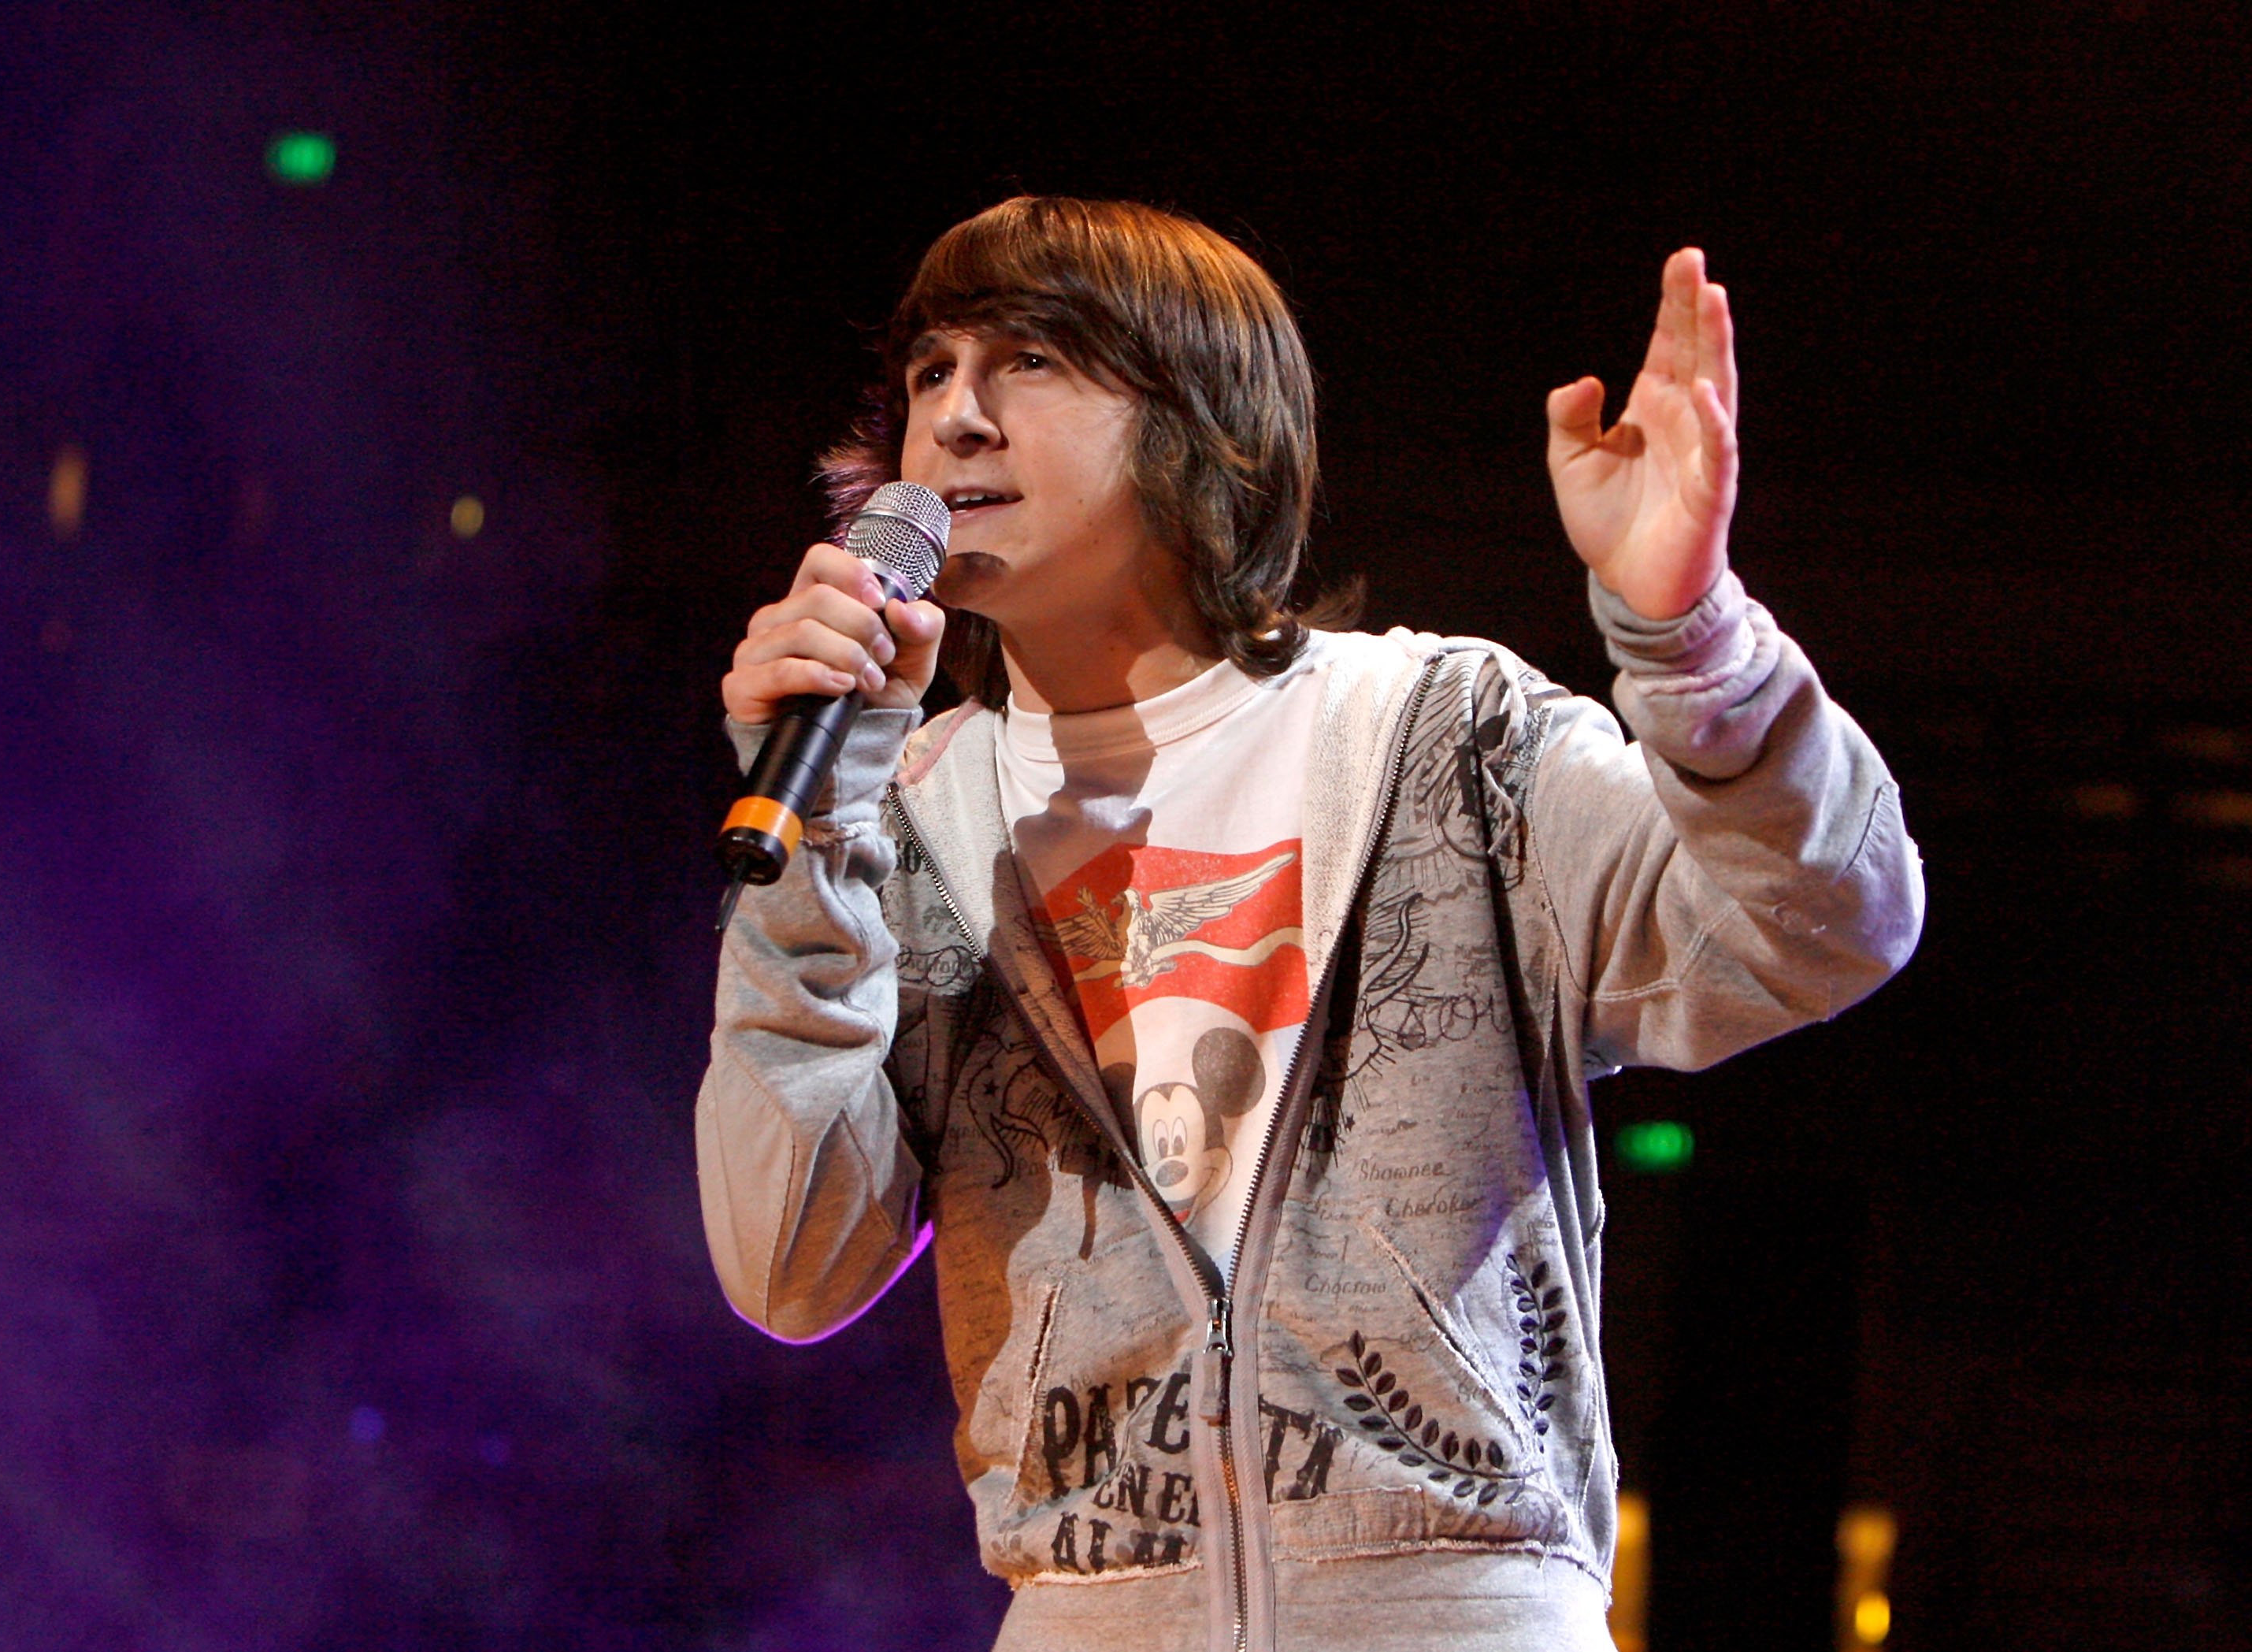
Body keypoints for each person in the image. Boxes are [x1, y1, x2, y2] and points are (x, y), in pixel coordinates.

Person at [699, 196, 1923, 1652]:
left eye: (1030, 361)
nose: (956, 418)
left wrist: (1693, 638)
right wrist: (813, 836)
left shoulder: (1443, 734)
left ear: (1199, 422)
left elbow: (1830, 919)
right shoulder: (899, 813)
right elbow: (789, 1261)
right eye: (928, 374)